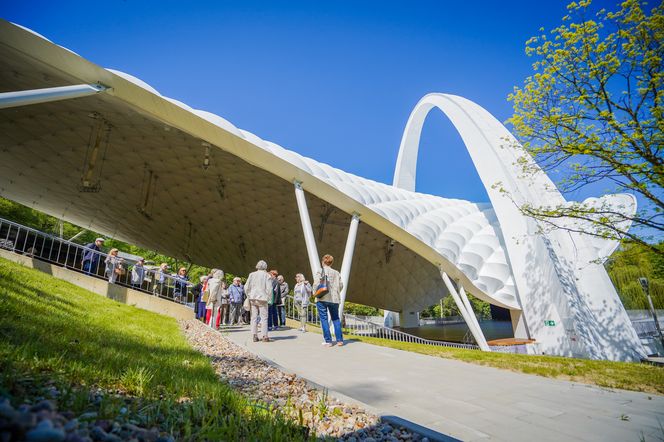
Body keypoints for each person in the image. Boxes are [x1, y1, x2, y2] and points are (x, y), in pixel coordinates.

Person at [314, 254, 344, 347]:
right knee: (336, 319)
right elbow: (341, 285)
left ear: (323, 261)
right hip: (334, 299)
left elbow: (316, 283)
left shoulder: (320, 270)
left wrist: (314, 293)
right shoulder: (336, 272)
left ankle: (328, 341)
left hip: (322, 297)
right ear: (331, 262)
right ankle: (339, 340)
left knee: (324, 319)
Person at [245, 260, 272, 342]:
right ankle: (264, 335)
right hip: (262, 298)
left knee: (253, 317)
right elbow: (269, 288)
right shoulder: (267, 275)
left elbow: (246, 287)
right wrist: (269, 297)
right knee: (264, 317)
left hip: (253, 297)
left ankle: (254, 335)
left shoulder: (252, 274)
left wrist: (248, 295)